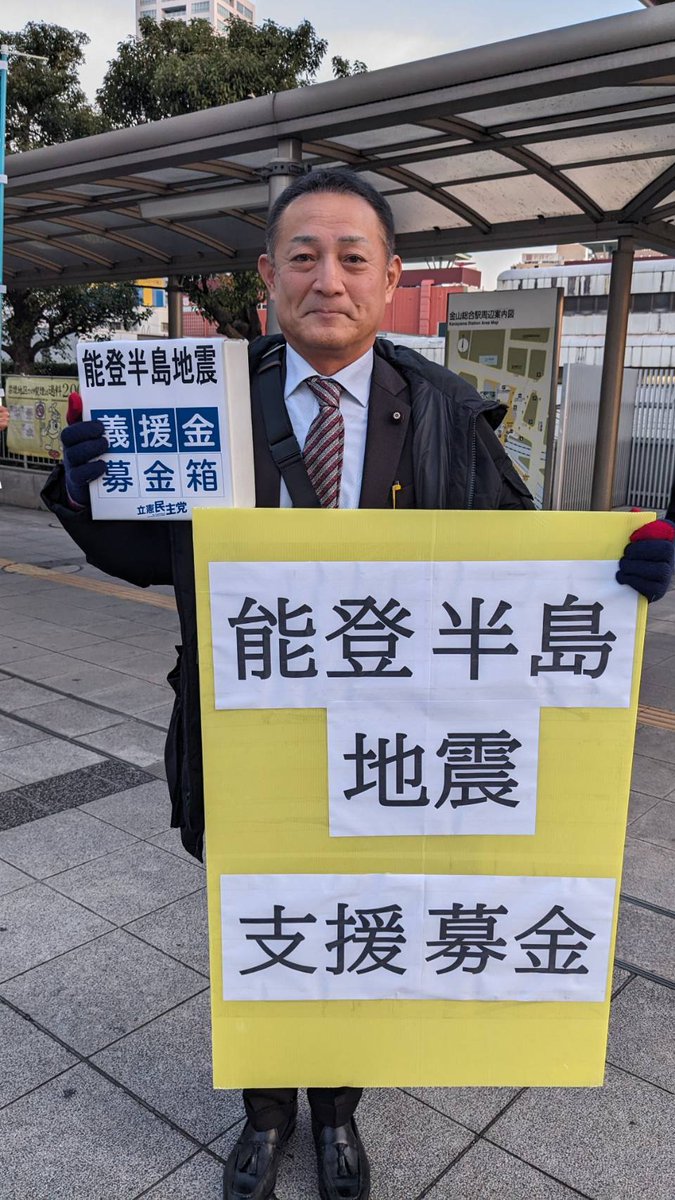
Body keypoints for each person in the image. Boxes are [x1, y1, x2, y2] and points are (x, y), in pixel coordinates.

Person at [42, 169, 674, 1200]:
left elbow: (515, 563)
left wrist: (618, 570)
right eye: (303, 255)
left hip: (393, 741)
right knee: (260, 916)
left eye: (351, 257)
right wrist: (87, 489)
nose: (326, 278)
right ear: (267, 276)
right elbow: (150, 557)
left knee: (357, 916)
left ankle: (336, 1113)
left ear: (388, 277)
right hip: (244, 729)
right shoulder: (205, 398)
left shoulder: (446, 410)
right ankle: (264, 1116)